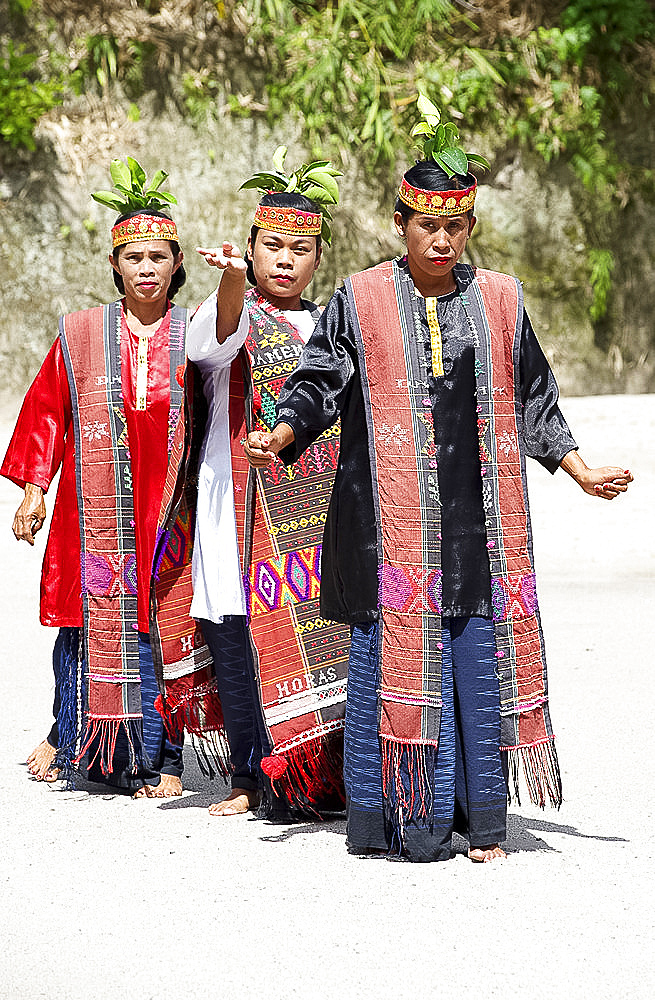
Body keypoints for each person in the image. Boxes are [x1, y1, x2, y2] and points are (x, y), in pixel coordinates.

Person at [243, 104, 633, 861]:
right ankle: (390, 823)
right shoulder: (358, 299)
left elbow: (534, 393)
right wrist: (282, 433)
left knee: (472, 664)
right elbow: (320, 382)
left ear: (470, 228)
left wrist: (579, 470)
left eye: (455, 226)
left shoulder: (500, 298)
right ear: (399, 223)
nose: (442, 239)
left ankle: (477, 821)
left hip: (476, 525)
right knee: (380, 660)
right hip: (379, 523)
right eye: (427, 225)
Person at [153, 152, 349, 819]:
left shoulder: (331, 324)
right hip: (232, 504)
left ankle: (315, 777)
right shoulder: (228, 310)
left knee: (323, 638)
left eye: (300, 248)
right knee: (231, 622)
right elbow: (213, 341)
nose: (285, 260)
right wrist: (234, 280)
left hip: (314, 511)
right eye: (272, 247)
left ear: (318, 257)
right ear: (253, 247)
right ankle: (248, 773)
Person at [2, 160, 194, 797]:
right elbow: (48, 412)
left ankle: (161, 758)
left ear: (176, 263)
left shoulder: (195, 336)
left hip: (168, 508)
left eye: (157, 256)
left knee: (163, 623)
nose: (145, 269)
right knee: (86, 621)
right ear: (116, 265)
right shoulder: (81, 334)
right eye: (133, 257)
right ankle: (73, 734)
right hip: (94, 512)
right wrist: (35, 488)